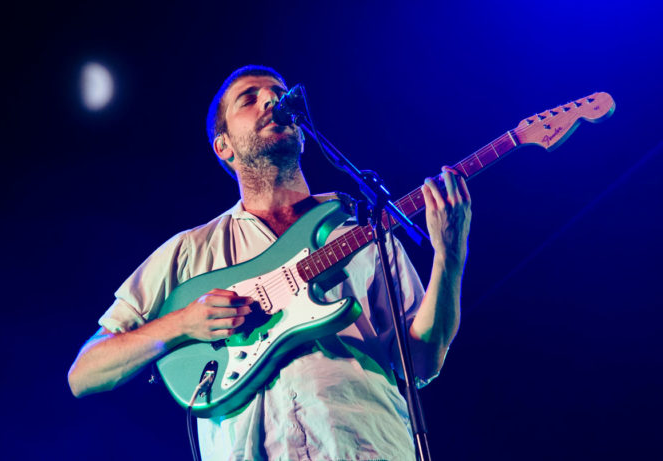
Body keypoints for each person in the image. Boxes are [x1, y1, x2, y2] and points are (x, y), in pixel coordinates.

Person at [68, 65, 472, 460]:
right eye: (250, 98)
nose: (271, 101)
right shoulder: (189, 250)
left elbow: (422, 361)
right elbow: (85, 372)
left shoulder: (362, 231)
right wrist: (182, 324)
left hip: (367, 445)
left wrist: (449, 260)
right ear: (223, 146)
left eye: (278, 94)